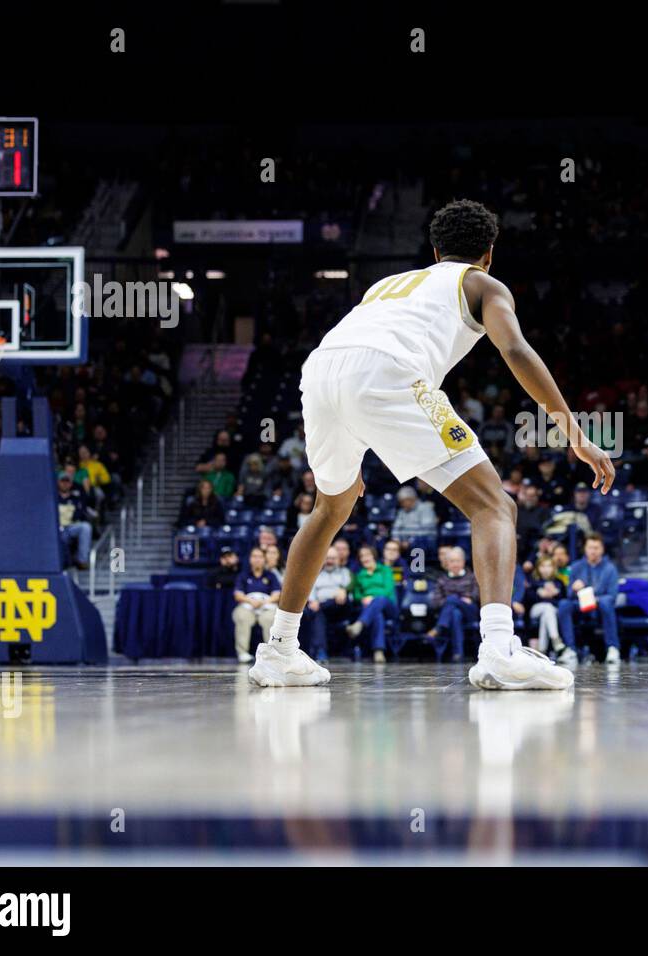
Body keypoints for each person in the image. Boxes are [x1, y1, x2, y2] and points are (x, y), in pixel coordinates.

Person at [250, 199, 613, 688]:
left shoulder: (388, 285)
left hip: (320, 370)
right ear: (488, 253)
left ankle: (279, 649)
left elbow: (359, 357)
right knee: (495, 506)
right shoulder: (482, 283)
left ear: (435, 249)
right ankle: (499, 649)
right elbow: (515, 349)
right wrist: (576, 434)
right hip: (388, 370)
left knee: (328, 510)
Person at [556, 533, 621, 665]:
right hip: (579, 602)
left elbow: (612, 595)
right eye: (590, 547)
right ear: (585, 549)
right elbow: (569, 593)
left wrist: (595, 599)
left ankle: (612, 648)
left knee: (606, 602)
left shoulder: (610, 568)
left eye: (596, 548)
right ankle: (570, 649)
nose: (593, 551)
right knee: (564, 604)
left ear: (602, 549)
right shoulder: (576, 567)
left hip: (599, 603)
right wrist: (574, 588)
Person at [344, 543, 398, 663]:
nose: (365, 558)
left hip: (389, 606)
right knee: (377, 614)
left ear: (373, 555)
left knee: (379, 599)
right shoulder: (360, 575)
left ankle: (359, 624)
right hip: (370, 608)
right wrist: (363, 598)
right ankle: (378, 651)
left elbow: (388, 590)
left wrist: (372, 597)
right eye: (362, 556)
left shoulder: (385, 570)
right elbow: (357, 594)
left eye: (367, 555)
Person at [425, 546, 480, 661]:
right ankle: (458, 654)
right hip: (452, 614)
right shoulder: (442, 580)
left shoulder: (472, 577)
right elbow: (436, 602)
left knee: (452, 599)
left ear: (463, 562)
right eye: (452, 561)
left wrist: (464, 599)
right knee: (455, 613)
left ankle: (439, 628)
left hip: (470, 612)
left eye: (458, 561)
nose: (455, 564)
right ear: (447, 563)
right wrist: (459, 599)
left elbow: (477, 595)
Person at [232, 547, 282, 663]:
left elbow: (277, 595)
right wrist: (250, 601)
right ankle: (242, 652)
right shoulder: (243, 575)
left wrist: (265, 602)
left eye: (260, 557)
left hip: (267, 606)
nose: (257, 559)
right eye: (254, 556)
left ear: (264, 559)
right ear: (250, 559)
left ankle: (271, 654)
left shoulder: (270, 576)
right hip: (248, 606)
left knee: (270, 618)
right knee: (242, 616)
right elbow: (238, 595)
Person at [302, 546, 352, 662]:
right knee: (318, 613)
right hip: (321, 609)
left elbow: (348, 590)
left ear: (338, 559)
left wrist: (343, 591)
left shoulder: (344, 572)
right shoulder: (316, 574)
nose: (330, 561)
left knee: (326, 605)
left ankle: (320, 652)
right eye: (327, 558)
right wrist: (313, 601)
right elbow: (311, 592)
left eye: (333, 558)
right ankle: (321, 651)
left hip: (340, 608)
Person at [524, 556, 567, 655]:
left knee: (547, 613)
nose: (546, 569)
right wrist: (539, 594)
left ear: (553, 568)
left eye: (549, 566)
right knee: (547, 608)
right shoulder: (533, 581)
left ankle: (541, 651)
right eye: (543, 566)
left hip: (552, 611)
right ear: (538, 568)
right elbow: (528, 600)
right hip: (535, 610)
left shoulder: (558, 582)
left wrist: (554, 595)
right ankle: (555, 639)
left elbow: (563, 602)